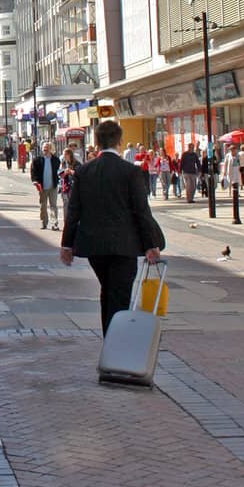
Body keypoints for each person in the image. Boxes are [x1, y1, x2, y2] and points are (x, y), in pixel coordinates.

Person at [60, 118, 164, 335]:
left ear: (96, 142)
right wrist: (151, 245)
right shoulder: (130, 172)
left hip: (94, 246)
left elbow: (74, 211)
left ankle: (110, 342)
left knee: (108, 291)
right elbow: (141, 212)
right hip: (124, 246)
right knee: (119, 295)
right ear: (120, 141)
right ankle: (115, 347)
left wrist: (67, 245)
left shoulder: (85, 172)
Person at [32, 141, 62, 230]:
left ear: (50, 149)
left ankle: (54, 224)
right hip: (42, 186)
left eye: (47, 148)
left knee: (53, 205)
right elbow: (33, 171)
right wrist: (35, 181)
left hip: (53, 186)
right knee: (43, 206)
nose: (45, 150)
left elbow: (59, 171)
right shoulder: (37, 160)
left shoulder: (56, 160)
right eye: (44, 148)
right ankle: (43, 222)